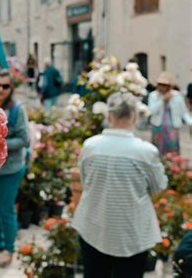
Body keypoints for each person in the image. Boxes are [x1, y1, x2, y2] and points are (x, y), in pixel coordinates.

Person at [72, 92, 168, 278]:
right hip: (132, 232)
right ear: (134, 116)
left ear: (109, 116)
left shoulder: (90, 146)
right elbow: (158, 187)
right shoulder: (146, 152)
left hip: (94, 227)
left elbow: (85, 182)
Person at [0, 69, 30, 268]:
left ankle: (8, 249)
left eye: (5, 86)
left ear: (11, 89)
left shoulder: (17, 109)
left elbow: (24, 139)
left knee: (6, 209)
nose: (0, 90)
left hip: (10, 168)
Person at [148, 72, 192, 155]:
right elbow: (151, 111)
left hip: (172, 127)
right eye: (160, 84)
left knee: (173, 150)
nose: (162, 87)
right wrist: (162, 100)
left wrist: (190, 122)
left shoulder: (177, 96)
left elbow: (183, 112)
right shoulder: (153, 96)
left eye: (164, 85)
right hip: (158, 126)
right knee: (156, 150)